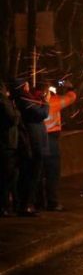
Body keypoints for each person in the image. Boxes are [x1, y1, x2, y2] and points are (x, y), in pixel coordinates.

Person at [12, 79, 49, 217]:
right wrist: (46, 102)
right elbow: (42, 114)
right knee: (31, 173)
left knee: (34, 173)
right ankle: (25, 204)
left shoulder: (27, 98)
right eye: (26, 84)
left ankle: (29, 203)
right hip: (33, 142)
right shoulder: (23, 99)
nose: (29, 86)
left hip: (36, 140)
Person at [42, 80, 77, 211]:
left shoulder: (34, 103)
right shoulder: (54, 102)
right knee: (52, 172)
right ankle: (52, 201)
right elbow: (71, 97)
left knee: (40, 173)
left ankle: (39, 201)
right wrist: (70, 88)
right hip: (51, 139)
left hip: (38, 138)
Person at [1, 82, 21, 217]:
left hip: (5, 143)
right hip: (6, 143)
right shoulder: (3, 101)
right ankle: (4, 206)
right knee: (6, 177)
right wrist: (17, 110)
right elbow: (13, 118)